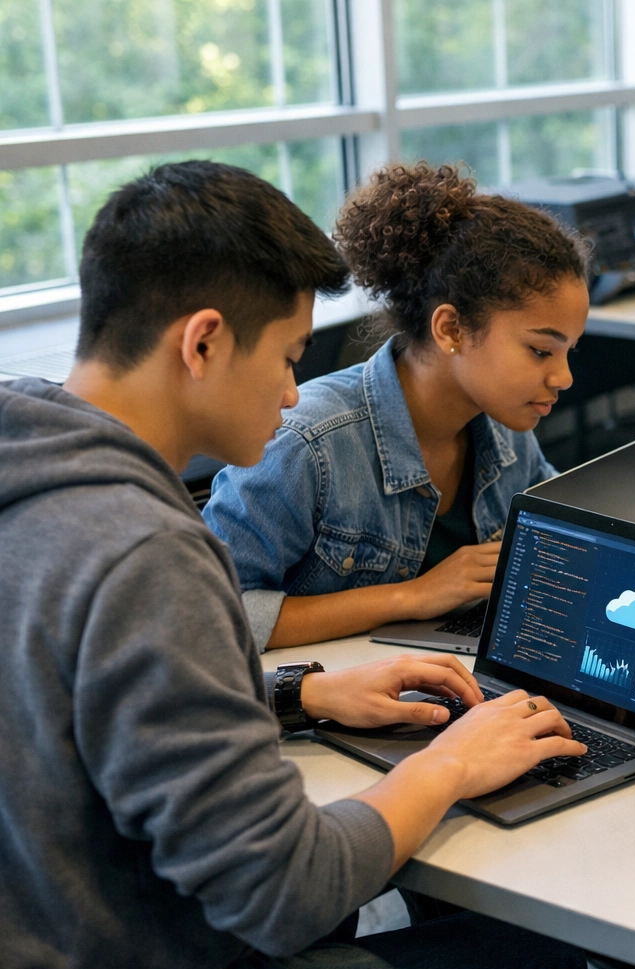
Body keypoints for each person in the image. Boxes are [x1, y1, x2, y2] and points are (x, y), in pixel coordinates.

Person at [0, 161, 590, 969]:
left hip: (40, 955)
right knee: (537, 965)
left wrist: (300, 692)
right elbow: (288, 890)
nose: (290, 390)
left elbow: (87, 703)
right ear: (201, 343)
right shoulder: (148, 554)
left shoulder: (34, 466)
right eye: (285, 356)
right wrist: (449, 765)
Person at [203, 162, 589, 652]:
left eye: (568, 351)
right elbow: (213, 618)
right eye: (540, 350)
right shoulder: (307, 446)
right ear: (450, 329)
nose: (563, 378)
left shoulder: (509, 428)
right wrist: (411, 597)